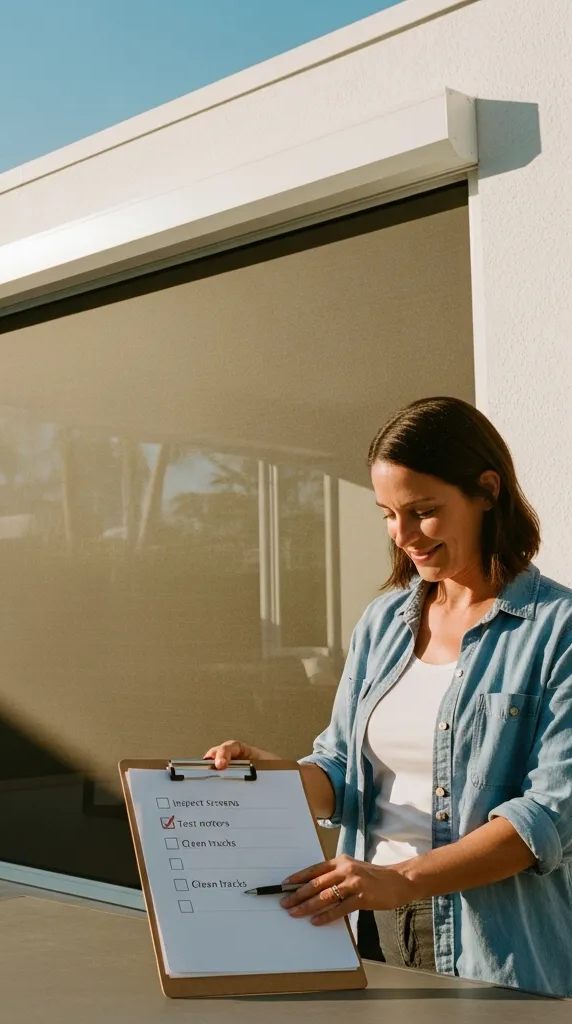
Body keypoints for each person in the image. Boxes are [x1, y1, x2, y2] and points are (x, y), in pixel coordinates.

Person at [205, 397, 572, 997]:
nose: (403, 537)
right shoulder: (383, 623)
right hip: (367, 921)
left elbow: (548, 817)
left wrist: (401, 878)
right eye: (386, 515)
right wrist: (271, 780)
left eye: (423, 512)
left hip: (496, 939)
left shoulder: (559, 630)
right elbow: (342, 768)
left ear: (486, 491)